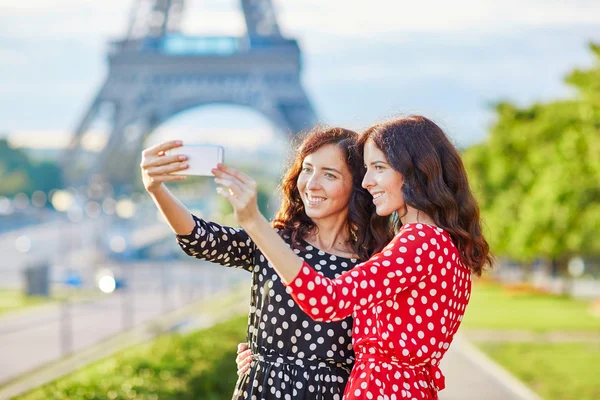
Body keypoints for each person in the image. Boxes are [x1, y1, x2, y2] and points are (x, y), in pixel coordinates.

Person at [213, 115, 493, 399]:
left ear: (415, 171)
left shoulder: (419, 241)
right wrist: (266, 359)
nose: (367, 181)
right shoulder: (443, 242)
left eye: (378, 168)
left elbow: (327, 301)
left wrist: (255, 224)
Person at [140, 127, 392, 399]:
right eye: (307, 169)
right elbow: (201, 239)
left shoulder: (374, 262)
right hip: (261, 390)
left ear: (357, 186)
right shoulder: (275, 242)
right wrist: (156, 188)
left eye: (329, 174)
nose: (312, 183)